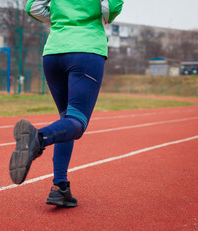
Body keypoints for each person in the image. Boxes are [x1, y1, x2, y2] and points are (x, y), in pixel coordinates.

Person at [9, 0, 124, 207]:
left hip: (53, 53)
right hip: (86, 51)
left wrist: (61, 20)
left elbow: (32, 7)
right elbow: (111, 8)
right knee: (77, 122)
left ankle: (59, 187)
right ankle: (38, 138)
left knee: (66, 121)